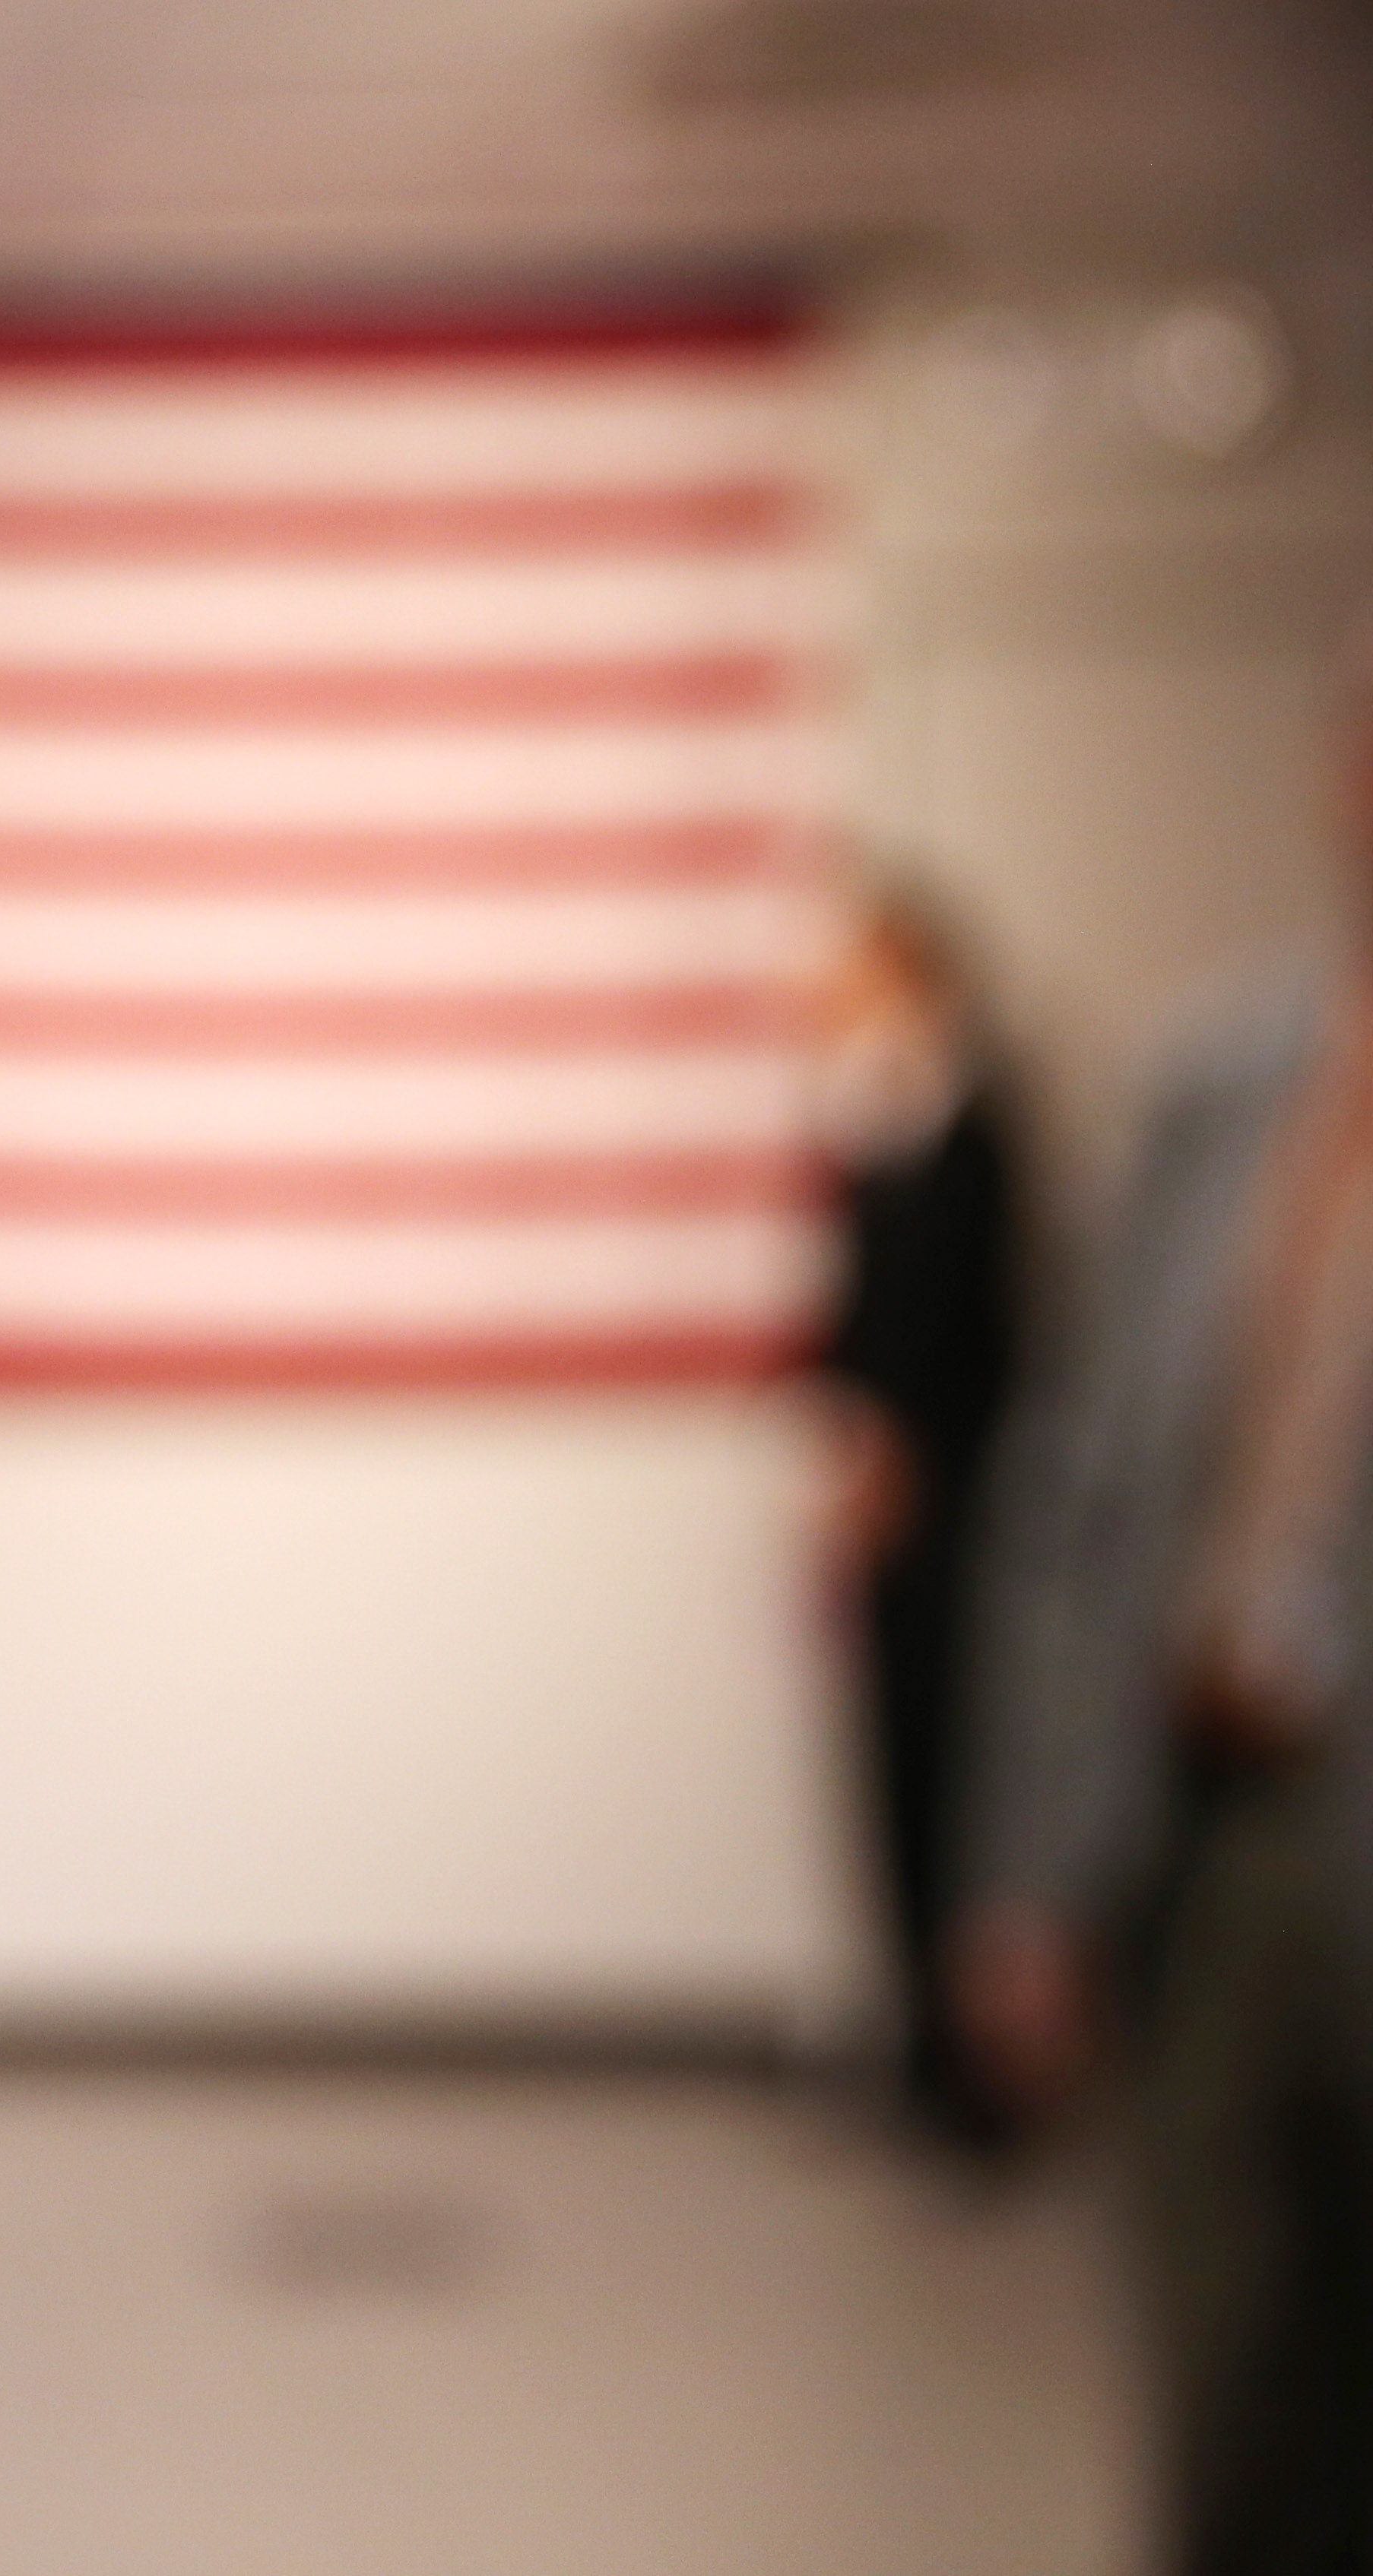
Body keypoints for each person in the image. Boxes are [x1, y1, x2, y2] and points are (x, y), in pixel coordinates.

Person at [960, 637, 1373, 2573]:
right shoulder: (1223, 1077)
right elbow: (1079, 1496)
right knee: (1228, 2408)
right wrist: (1029, 1871)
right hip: (1205, 1843)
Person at [808, 878, 1022, 2145]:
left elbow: (986, 1327)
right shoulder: (865, 1133)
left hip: (955, 1514)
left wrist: (912, 1454)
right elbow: (851, 1325)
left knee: (956, 1781)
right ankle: (906, 2044)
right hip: (875, 1509)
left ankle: (967, 2071)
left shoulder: (978, 1129)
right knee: (883, 1778)